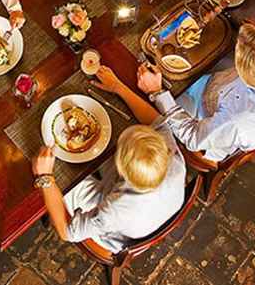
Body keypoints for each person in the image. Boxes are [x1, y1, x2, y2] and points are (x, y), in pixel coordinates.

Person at [94, 21, 255, 163]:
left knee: (147, 113)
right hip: (222, 83)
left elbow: (194, 138)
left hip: (205, 115)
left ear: (248, 79)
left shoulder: (240, 120)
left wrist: (157, 92)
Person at [31, 84, 186, 252]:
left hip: (116, 232)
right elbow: (157, 121)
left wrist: (45, 176)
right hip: (156, 207)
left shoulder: (113, 211)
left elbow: (66, 232)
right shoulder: (171, 156)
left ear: (122, 169)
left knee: (62, 182)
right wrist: (119, 87)